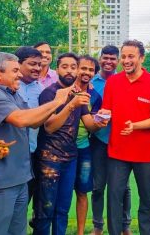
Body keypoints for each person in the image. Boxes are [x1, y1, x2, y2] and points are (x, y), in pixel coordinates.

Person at [0, 52, 71, 235]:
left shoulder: (14, 94)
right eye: (15, 71)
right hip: (0, 183)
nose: (20, 74)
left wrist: (66, 105)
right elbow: (21, 119)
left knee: (17, 231)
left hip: (20, 178)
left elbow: (34, 121)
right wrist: (57, 101)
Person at [33, 53, 108, 235]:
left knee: (63, 209)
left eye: (73, 67)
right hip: (49, 158)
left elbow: (89, 125)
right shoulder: (49, 93)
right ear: (57, 68)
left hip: (71, 157)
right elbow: (50, 127)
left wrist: (100, 122)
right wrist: (70, 105)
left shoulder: (79, 95)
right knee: (46, 209)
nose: (69, 70)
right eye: (65, 66)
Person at [100, 40, 150, 235]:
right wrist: (101, 117)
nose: (126, 60)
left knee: (146, 199)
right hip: (117, 151)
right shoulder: (113, 81)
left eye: (131, 56)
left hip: (145, 154)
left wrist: (135, 125)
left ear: (141, 58)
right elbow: (107, 109)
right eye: (124, 56)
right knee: (114, 198)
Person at [89, 45, 132, 235]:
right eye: (105, 58)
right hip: (99, 140)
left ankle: (125, 225)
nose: (108, 62)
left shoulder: (126, 81)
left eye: (113, 58)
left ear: (119, 61)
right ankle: (98, 225)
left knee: (123, 186)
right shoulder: (91, 82)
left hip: (121, 140)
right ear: (99, 59)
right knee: (98, 186)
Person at [73, 55, 101, 235]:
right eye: (83, 68)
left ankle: (81, 232)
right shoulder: (63, 90)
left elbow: (94, 125)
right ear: (76, 68)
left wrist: (101, 121)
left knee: (82, 192)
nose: (86, 72)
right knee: (59, 193)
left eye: (91, 70)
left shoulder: (95, 95)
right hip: (59, 149)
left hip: (83, 148)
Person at [14, 46, 44, 202]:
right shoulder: (7, 86)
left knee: (27, 196)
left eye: (39, 65)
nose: (37, 68)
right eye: (32, 64)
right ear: (18, 64)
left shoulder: (42, 89)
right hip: (9, 152)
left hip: (32, 151)